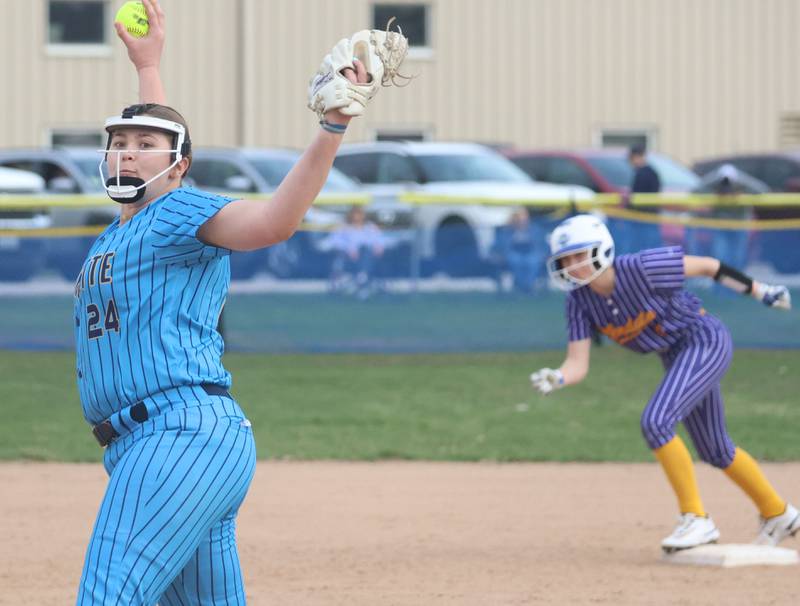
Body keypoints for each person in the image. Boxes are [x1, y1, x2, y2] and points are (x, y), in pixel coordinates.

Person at [74, 1, 407, 603]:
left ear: (178, 166)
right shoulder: (124, 228)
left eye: (142, 144)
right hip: (161, 448)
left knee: (106, 597)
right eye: (117, 141)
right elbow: (164, 136)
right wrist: (149, 67)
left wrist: (331, 129)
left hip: (176, 439)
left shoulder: (178, 210)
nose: (126, 152)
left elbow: (276, 222)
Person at [530, 214, 796, 552]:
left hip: (703, 339)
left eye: (579, 255)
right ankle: (779, 513)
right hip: (675, 356)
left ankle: (696, 518)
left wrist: (761, 291)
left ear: (601, 249)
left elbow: (709, 266)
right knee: (716, 449)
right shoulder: (578, 302)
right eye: (565, 260)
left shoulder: (640, 268)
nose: (572, 265)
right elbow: (577, 363)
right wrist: (559, 376)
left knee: (656, 421)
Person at [325, 205, 385, 298]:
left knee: (365, 251)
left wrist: (378, 246)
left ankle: (362, 276)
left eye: (360, 214)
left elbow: (378, 240)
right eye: (355, 214)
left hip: (368, 256)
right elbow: (334, 241)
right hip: (348, 257)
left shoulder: (370, 227)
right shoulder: (344, 227)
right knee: (361, 253)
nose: (357, 216)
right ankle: (361, 279)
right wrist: (349, 249)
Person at [489, 208, 546, 294]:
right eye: (518, 218)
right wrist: (497, 255)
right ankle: (521, 286)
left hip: (531, 253)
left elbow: (542, 245)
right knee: (515, 260)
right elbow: (496, 246)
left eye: (523, 218)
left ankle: (527, 286)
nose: (521, 221)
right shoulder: (506, 231)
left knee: (533, 261)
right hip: (511, 254)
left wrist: (544, 254)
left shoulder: (535, 229)